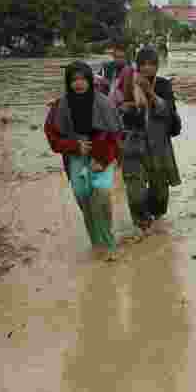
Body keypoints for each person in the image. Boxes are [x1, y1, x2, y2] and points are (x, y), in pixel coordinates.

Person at [44, 61, 124, 261]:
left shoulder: (104, 103)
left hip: (102, 156)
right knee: (84, 199)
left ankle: (109, 244)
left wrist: (104, 160)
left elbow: (116, 136)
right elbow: (53, 138)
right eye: (73, 80)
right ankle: (97, 243)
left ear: (89, 80)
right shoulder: (60, 106)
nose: (78, 83)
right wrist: (74, 146)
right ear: (68, 82)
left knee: (102, 195)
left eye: (82, 79)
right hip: (75, 158)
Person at [118, 47, 181, 230]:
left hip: (158, 144)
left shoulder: (163, 85)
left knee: (160, 194)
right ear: (137, 66)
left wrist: (150, 93)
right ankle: (142, 226)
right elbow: (115, 105)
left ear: (157, 66)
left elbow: (168, 112)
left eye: (151, 64)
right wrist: (128, 106)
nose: (147, 68)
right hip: (133, 143)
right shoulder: (128, 82)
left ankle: (157, 226)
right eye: (143, 64)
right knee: (135, 193)